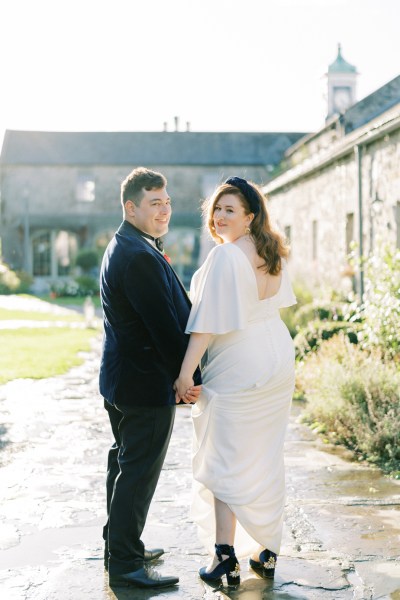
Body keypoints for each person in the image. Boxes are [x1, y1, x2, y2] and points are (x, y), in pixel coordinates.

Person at [174, 177, 296, 586]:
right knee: (264, 452)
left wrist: (185, 373)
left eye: (231, 209)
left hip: (242, 360)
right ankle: (267, 550)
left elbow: (206, 322)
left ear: (250, 216)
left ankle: (224, 555)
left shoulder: (227, 256)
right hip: (277, 353)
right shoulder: (271, 250)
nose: (221, 216)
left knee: (223, 455)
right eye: (217, 209)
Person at [99, 167, 201, 589]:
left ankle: (118, 546)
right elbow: (163, 327)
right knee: (137, 474)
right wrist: (185, 376)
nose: (164, 210)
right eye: (154, 203)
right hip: (143, 384)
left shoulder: (130, 243)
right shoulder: (138, 255)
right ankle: (125, 564)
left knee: (123, 465)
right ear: (131, 207)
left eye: (167, 202)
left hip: (123, 379)